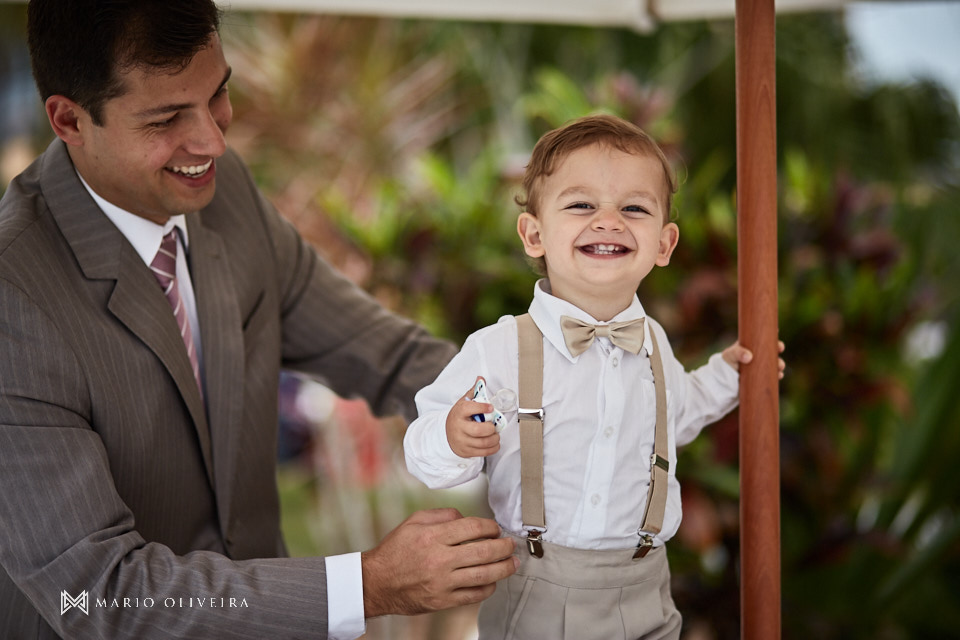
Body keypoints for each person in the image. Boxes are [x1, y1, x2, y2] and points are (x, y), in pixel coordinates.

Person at [0, 1, 518, 638]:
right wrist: (368, 583)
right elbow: (100, 595)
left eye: (218, 94)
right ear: (69, 120)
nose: (214, 141)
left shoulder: (224, 191)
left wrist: (544, 416)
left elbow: (387, 354)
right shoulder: (12, 297)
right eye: (166, 118)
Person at [404, 114, 785, 639]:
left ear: (664, 244)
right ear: (534, 234)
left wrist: (732, 373)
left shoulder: (653, 342)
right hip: (538, 592)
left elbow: (678, 414)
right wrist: (450, 437)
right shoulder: (498, 349)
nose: (608, 220)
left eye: (633, 207)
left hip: (646, 587)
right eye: (581, 204)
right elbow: (423, 454)